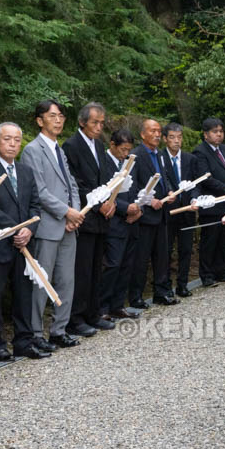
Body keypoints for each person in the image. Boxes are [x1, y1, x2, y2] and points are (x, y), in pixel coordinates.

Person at [20, 100, 84, 351]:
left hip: (69, 226)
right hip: (47, 226)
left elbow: (72, 185)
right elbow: (40, 191)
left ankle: (59, 330)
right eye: (52, 116)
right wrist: (66, 212)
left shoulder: (59, 148)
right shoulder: (33, 150)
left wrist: (75, 213)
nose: (58, 120)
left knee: (67, 281)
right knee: (42, 282)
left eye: (61, 116)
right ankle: (36, 333)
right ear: (39, 120)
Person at [64, 102, 118, 334]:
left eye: (101, 123)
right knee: (82, 270)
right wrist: (98, 205)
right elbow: (76, 183)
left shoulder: (99, 144)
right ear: (82, 121)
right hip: (85, 216)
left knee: (98, 268)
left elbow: (105, 178)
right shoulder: (71, 145)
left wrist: (112, 200)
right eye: (94, 122)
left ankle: (93, 313)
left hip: (102, 217)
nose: (99, 127)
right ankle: (76, 319)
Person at [0, 123, 43, 360]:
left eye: (17, 140)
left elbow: (35, 205)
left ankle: (24, 342)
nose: (12, 144)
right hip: (1, 242)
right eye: (7, 139)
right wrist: (13, 228)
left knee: (24, 294)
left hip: (24, 244)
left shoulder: (26, 171)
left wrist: (29, 229)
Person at [128, 119, 179, 308]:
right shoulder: (136, 155)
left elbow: (164, 177)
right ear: (142, 134)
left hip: (162, 213)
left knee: (162, 256)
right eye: (153, 131)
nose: (157, 134)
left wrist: (170, 192)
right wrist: (149, 200)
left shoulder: (160, 155)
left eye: (159, 131)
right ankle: (136, 297)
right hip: (145, 215)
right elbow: (132, 186)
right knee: (141, 258)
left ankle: (161, 292)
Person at [192, 117, 225, 286]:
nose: (219, 135)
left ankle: (220, 269)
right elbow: (205, 178)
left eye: (220, 131)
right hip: (213, 203)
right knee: (210, 241)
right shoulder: (200, 152)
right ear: (206, 134)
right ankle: (206, 274)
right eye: (215, 132)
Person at [100, 129, 143, 319]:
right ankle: (102, 307)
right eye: (122, 150)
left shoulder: (129, 163)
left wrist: (138, 208)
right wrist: (126, 208)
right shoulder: (104, 162)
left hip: (131, 220)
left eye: (128, 150)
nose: (125, 154)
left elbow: (135, 187)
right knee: (112, 265)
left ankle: (117, 305)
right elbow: (105, 192)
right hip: (113, 221)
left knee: (127, 265)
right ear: (112, 145)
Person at [163, 123, 199, 298]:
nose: (176, 141)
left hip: (187, 210)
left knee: (186, 249)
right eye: (172, 137)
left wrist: (194, 198)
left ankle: (183, 285)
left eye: (179, 137)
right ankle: (166, 286)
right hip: (168, 212)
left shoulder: (189, 159)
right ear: (165, 139)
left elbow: (195, 183)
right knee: (167, 250)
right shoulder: (160, 158)